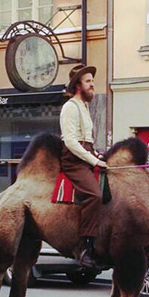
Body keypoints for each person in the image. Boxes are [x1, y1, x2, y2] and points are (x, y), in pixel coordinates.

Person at [59, 64, 107, 270]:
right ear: (78, 85)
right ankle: (84, 247)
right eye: (88, 81)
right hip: (73, 161)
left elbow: (86, 140)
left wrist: (97, 155)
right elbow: (70, 142)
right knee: (94, 195)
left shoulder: (85, 107)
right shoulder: (70, 107)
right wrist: (94, 161)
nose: (92, 85)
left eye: (92, 81)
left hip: (85, 155)